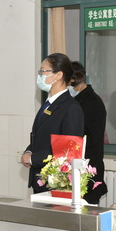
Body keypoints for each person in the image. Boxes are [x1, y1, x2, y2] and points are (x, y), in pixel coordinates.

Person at [21, 53, 84, 193]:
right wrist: (29, 151)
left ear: (58, 75)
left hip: (56, 183)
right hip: (40, 179)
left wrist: (33, 159)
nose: (40, 75)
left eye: (44, 71)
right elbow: (40, 136)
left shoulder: (70, 107)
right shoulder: (49, 103)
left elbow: (69, 150)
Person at [69, 61, 109, 204]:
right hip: (75, 167)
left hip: (88, 167)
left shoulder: (92, 103)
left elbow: (90, 138)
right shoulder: (76, 101)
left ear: (76, 80)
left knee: (87, 211)